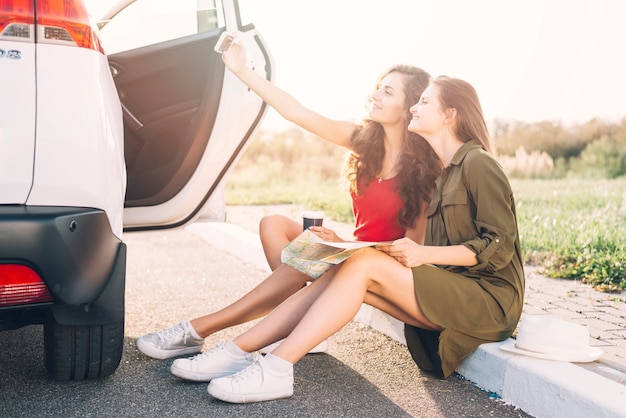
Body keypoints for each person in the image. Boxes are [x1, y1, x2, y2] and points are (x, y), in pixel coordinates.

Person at [188, 75, 524, 404]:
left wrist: (423, 254)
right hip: (456, 291)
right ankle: (239, 350)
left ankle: (275, 366)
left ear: (450, 114)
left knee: (360, 263)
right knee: (344, 266)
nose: (415, 108)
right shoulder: (446, 172)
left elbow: (498, 246)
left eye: (424, 101)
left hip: (489, 303)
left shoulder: (477, 163)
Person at [135, 39, 442, 375]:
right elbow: (296, 111)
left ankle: (198, 329)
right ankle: (299, 320)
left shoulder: (423, 170)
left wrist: (347, 246)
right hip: (351, 250)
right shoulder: (363, 140)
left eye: (387, 92)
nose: (376, 96)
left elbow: (410, 251)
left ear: (409, 105)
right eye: (377, 88)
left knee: (303, 261)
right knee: (275, 224)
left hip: (378, 263)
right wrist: (242, 71)